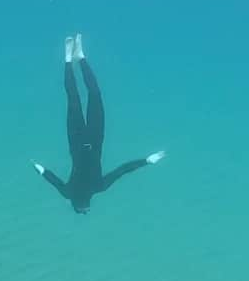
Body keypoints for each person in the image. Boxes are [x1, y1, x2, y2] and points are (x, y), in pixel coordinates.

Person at [32, 34, 165, 214]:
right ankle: (72, 59)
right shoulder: (70, 193)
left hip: (90, 137)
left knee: (91, 95)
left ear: (83, 204)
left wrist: (147, 161)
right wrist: (36, 166)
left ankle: (74, 59)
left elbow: (123, 170)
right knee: (76, 98)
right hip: (80, 138)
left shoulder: (97, 187)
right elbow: (48, 175)